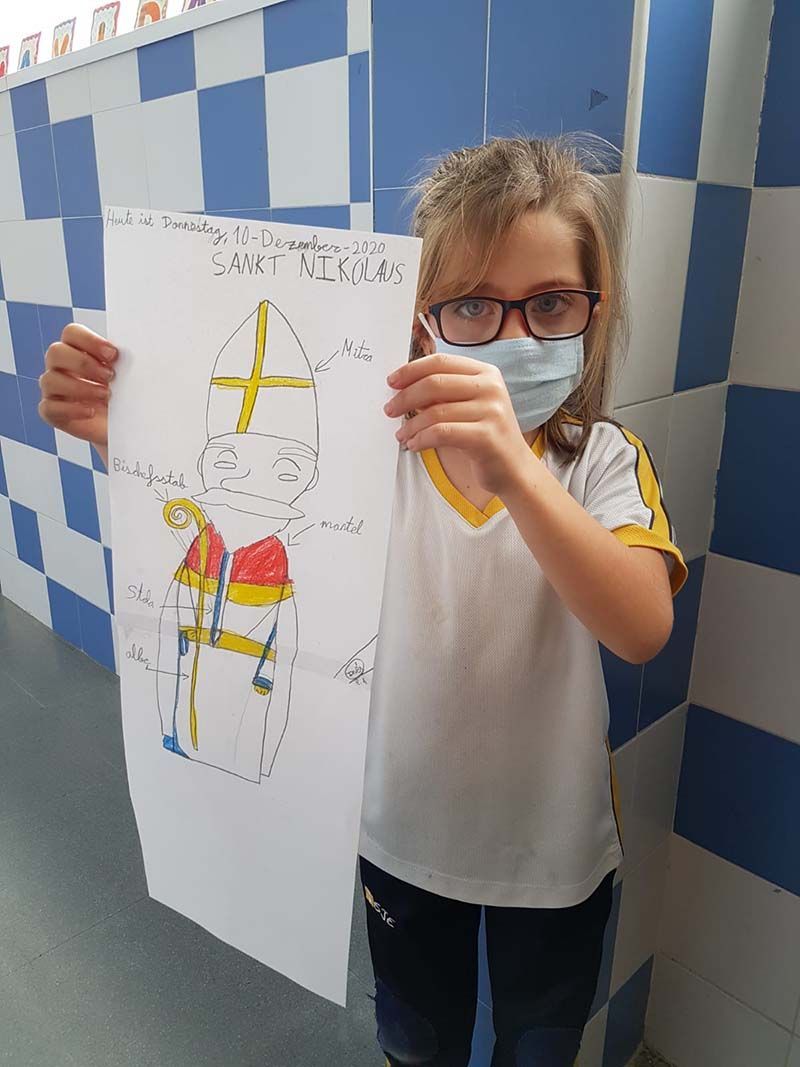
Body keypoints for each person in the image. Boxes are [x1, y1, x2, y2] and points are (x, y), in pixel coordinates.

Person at [39, 135, 686, 1067]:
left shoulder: (602, 461)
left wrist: (515, 468)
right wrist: (127, 435)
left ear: (595, 306)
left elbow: (641, 627)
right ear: (422, 323)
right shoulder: (372, 461)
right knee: (414, 1044)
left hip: (555, 852)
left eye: (549, 304)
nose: (513, 339)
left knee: (541, 1047)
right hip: (399, 837)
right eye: (473, 305)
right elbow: (247, 521)